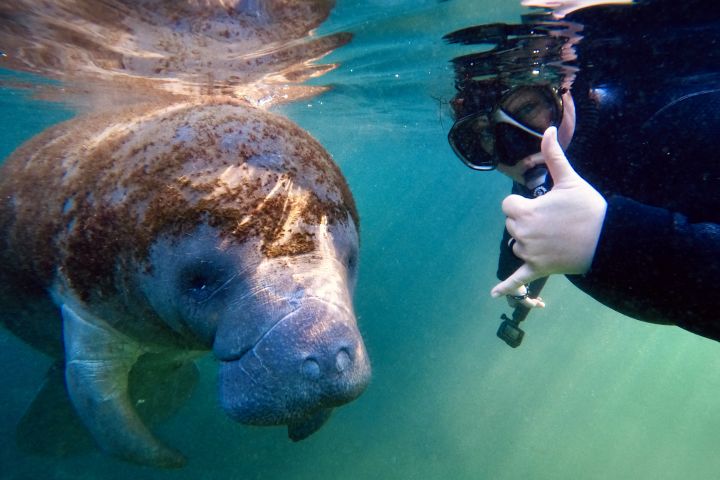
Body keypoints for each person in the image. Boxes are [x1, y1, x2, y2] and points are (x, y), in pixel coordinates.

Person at [446, 0, 720, 341]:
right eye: (484, 136)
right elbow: (534, 210)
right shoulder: (547, 165)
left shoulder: (682, 123)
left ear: (565, 90)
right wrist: (517, 276)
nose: (516, 151)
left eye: (529, 108)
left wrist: (606, 240)